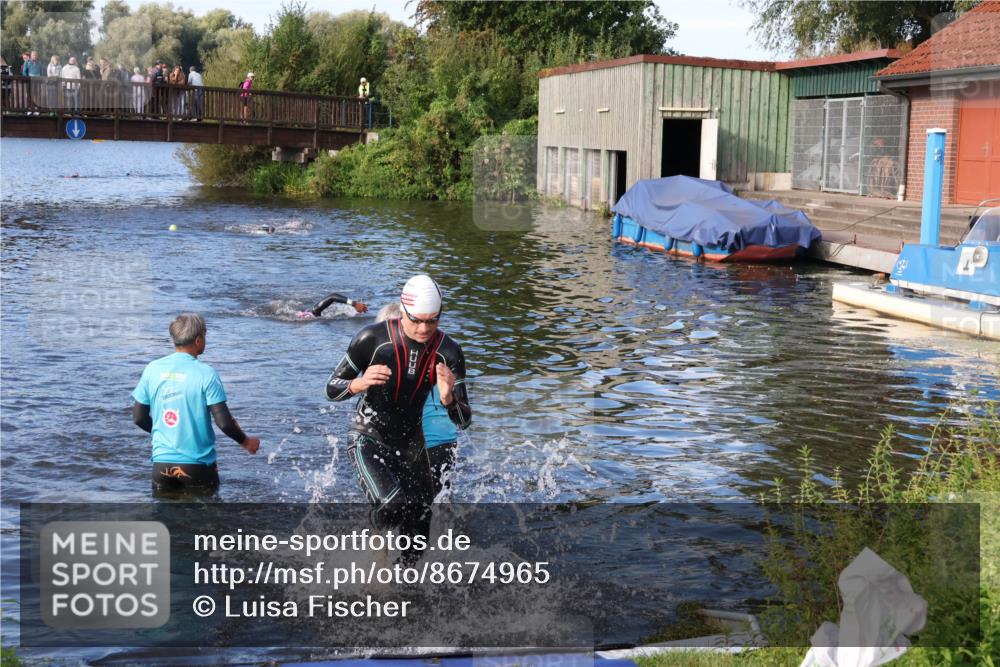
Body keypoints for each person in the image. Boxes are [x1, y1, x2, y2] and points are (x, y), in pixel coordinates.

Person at [326, 275, 471, 562]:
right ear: (403, 311)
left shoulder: (449, 352)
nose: (424, 328)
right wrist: (359, 383)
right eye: (417, 320)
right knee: (392, 506)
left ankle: (407, 596)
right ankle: (375, 560)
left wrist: (448, 398)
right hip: (369, 435)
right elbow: (331, 389)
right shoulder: (372, 339)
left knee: (416, 539)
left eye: (432, 321)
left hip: (411, 445)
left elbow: (464, 420)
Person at [132, 313, 260, 496]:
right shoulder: (206, 374)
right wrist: (246, 442)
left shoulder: (152, 369)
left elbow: (138, 418)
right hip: (197, 466)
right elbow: (224, 422)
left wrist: (165, 433)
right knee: (206, 522)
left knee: (168, 522)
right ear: (198, 340)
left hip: (161, 466)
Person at [376, 302, 457, 496]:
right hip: (447, 441)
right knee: (440, 504)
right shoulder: (444, 355)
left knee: (398, 505)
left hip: (417, 447)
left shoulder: (390, 366)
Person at [297, 292, 368, 320]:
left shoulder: (315, 311)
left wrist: (354, 304)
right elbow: (332, 296)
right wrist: (354, 304)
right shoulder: (314, 312)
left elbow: (332, 296)